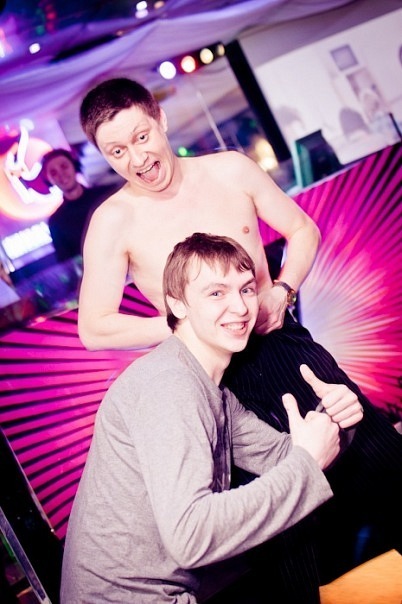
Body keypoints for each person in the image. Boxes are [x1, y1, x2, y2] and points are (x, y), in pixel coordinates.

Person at [77, 78, 402, 601]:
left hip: (287, 349)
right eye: (116, 151)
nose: (136, 158)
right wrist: (189, 325)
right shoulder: (113, 220)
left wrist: (281, 291)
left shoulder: (230, 169)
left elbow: (303, 231)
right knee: (290, 542)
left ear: (160, 120)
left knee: (381, 464)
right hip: (223, 386)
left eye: (141, 137)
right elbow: (94, 327)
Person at [60, 232, 350, 603]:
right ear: (177, 305)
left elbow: (284, 456)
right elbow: (192, 536)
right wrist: (306, 463)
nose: (240, 307)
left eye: (246, 289)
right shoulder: (170, 386)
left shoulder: (211, 390)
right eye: (216, 293)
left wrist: (336, 418)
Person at [40, 148, 120, 262]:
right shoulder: (56, 222)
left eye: (64, 166)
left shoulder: (107, 195)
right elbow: (67, 261)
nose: (61, 174)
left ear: (74, 166)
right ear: (49, 180)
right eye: (53, 173)